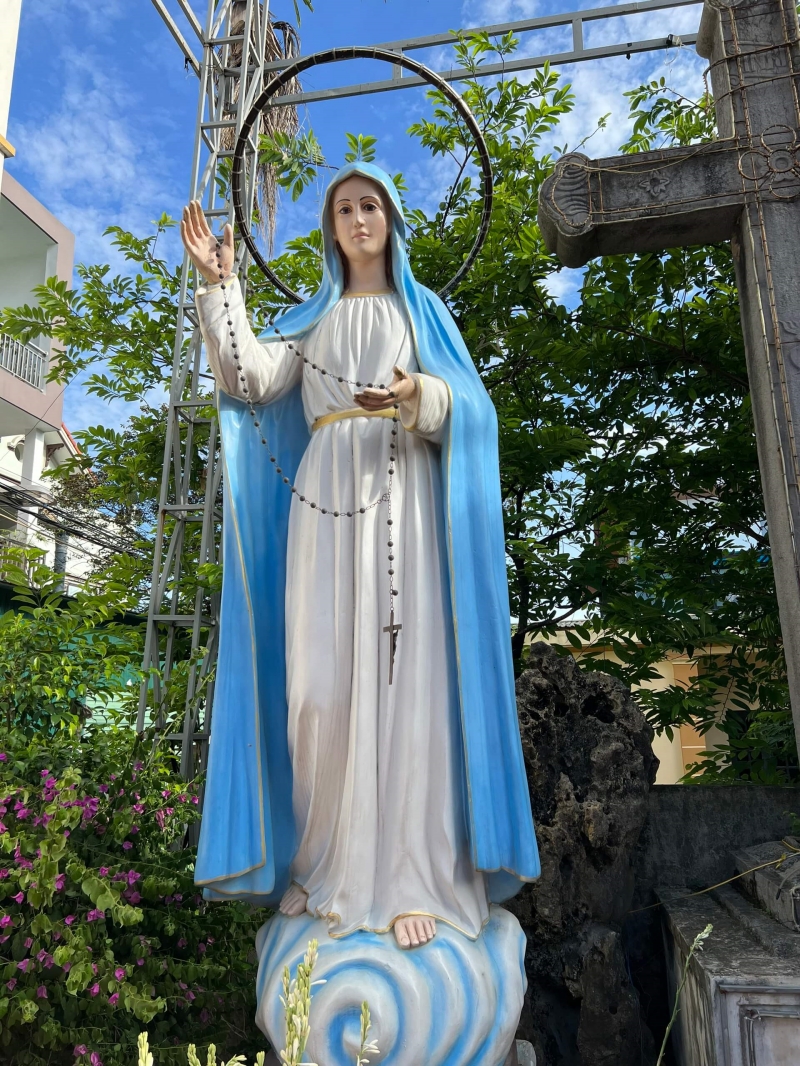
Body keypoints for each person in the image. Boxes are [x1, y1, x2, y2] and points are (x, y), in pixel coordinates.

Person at [182, 162, 539, 951]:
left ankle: (414, 879)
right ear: (330, 228)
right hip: (323, 504)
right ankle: (323, 863)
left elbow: (472, 410)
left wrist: (416, 396)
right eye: (342, 209)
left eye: (369, 204)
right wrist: (220, 287)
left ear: (391, 219)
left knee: (407, 685)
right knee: (318, 690)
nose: (356, 219)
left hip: (403, 500)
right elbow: (248, 378)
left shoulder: (422, 312)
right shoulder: (311, 320)